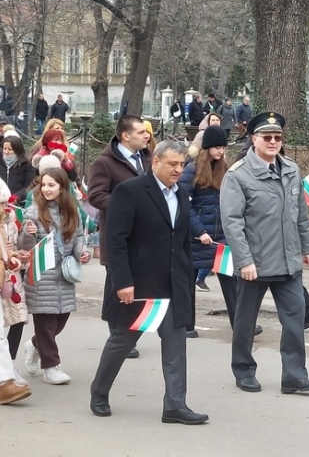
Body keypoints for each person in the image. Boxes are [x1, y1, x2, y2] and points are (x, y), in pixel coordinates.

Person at [90, 140, 207, 424]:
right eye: (172, 164)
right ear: (155, 162)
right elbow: (115, 240)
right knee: (122, 341)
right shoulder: (129, 191)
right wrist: (123, 281)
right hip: (141, 286)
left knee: (176, 344)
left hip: (174, 284)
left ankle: (175, 405)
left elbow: (181, 243)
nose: (179, 170)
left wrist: (187, 280)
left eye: (182, 164)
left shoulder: (180, 195)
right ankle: (99, 392)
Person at [220, 111, 309, 394]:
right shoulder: (238, 175)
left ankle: (294, 375)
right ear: (254, 139)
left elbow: (300, 212)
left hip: (288, 261)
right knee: (245, 320)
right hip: (257, 263)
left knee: (295, 319)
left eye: (277, 137)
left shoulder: (290, 169)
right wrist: (244, 261)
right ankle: (243, 369)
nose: (273, 142)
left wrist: (306, 247)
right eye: (267, 137)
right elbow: (232, 222)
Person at [88, 115, 152, 359]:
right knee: (118, 288)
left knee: (138, 286)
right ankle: (118, 335)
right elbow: (95, 196)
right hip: (117, 238)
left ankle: (130, 332)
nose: (147, 135)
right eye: (141, 132)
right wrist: (128, 205)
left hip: (144, 238)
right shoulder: (105, 163)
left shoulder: (147, 159)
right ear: (126, 136)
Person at [19, 167, 88, 385]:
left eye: (52, 185)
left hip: (64, 274)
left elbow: (77, 237)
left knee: (60, 319)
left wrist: (82, 252)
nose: (46, 189)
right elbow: (24, 246)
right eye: (44, 185)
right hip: (41, 274)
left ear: (61, 188)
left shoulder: (72, 211)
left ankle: (34, 344)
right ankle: (51, 367)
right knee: (46, 323)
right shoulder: (33, 211)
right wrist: (27, 235)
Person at [178, 125, 236, 337]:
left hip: (220, 234)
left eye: (223, 147)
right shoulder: (192, 169)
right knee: (188, 282)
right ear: (207, 148)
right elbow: (184, 203)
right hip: (197, 236)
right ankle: (186, 325)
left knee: (230, 279)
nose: (220, 151)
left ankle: (240, 324)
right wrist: (199, 231)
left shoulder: (225, 168)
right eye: (216, 147)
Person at [1, 178, 30, 395]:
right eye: (2, 203)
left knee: (6, 328)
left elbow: (6, 251)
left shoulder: (5, 221)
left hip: (5, 280)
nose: (6, 208)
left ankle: (6, 378)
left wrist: (12, 256)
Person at [1, 135, 36, 200]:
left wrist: (17, 197)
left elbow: (29, 185)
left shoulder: (26, 165)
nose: (6, 152)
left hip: (18, 202)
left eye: (10, 149)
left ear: (17, 150)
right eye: (5, 148)